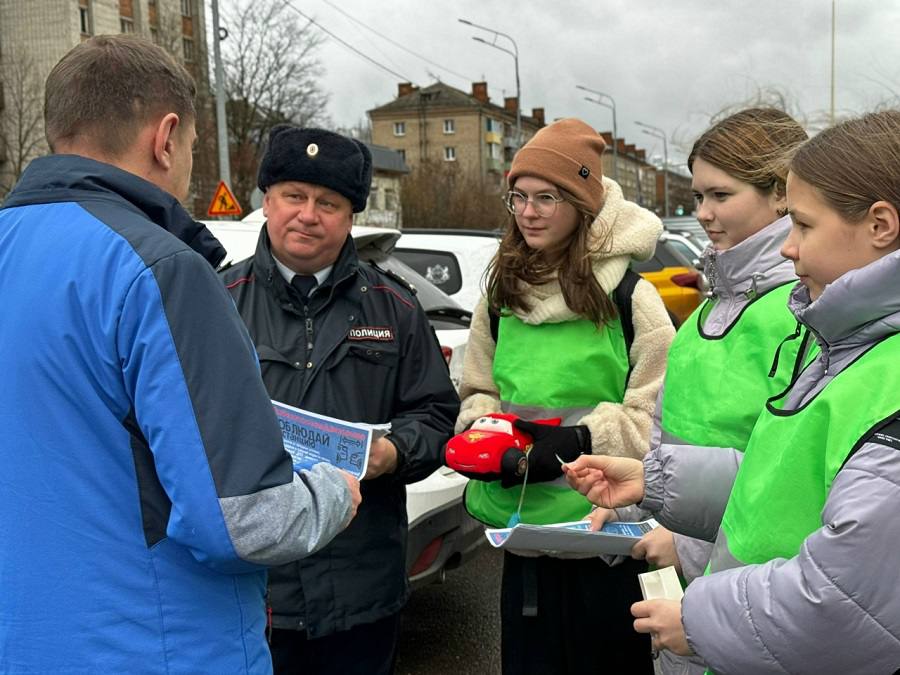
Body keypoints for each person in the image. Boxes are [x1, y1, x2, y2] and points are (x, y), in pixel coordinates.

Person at [0, 36, 360, 674]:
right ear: (166, 137)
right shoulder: (161, 270)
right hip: (157, 646)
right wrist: (334, 489)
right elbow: (243, 521)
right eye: (193, 146)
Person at [565, 110, 900, 675]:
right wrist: (656, 480)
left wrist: (698, 616)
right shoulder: (845, 339)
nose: (789, 249)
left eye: (804, 225)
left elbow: (849, 602)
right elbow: (786, 474)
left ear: (880, 225)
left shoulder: (860, 352)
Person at [220, 125, 460, 675]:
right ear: (266, 202)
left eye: (328, 202)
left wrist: (394, 453)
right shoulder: (218, 302)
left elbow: (437, 419)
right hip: (254, 590)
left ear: (351, 216)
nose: (308, 214)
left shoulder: (394, 309)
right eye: (293, 196)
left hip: (361, 591)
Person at [454, 117, 674, 674]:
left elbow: (663, 414)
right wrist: (484, 439)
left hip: (607, 540)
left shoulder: (632, 297)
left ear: (582, 205)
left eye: (546, 198)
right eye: (519, 197)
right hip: (522, 534)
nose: (528, 213)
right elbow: (478, 389)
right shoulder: (501, 293)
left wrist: (581, 439)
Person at [624, 108, 808, 675]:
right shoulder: (712, 306)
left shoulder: (802, 312)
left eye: (720, 195)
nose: (702, 214)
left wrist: (688, 546)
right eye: (698, 195)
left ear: (781, 195)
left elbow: (789, 480)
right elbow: (667, 433)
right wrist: (646, 511)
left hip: (749, 594)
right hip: (687, 578)